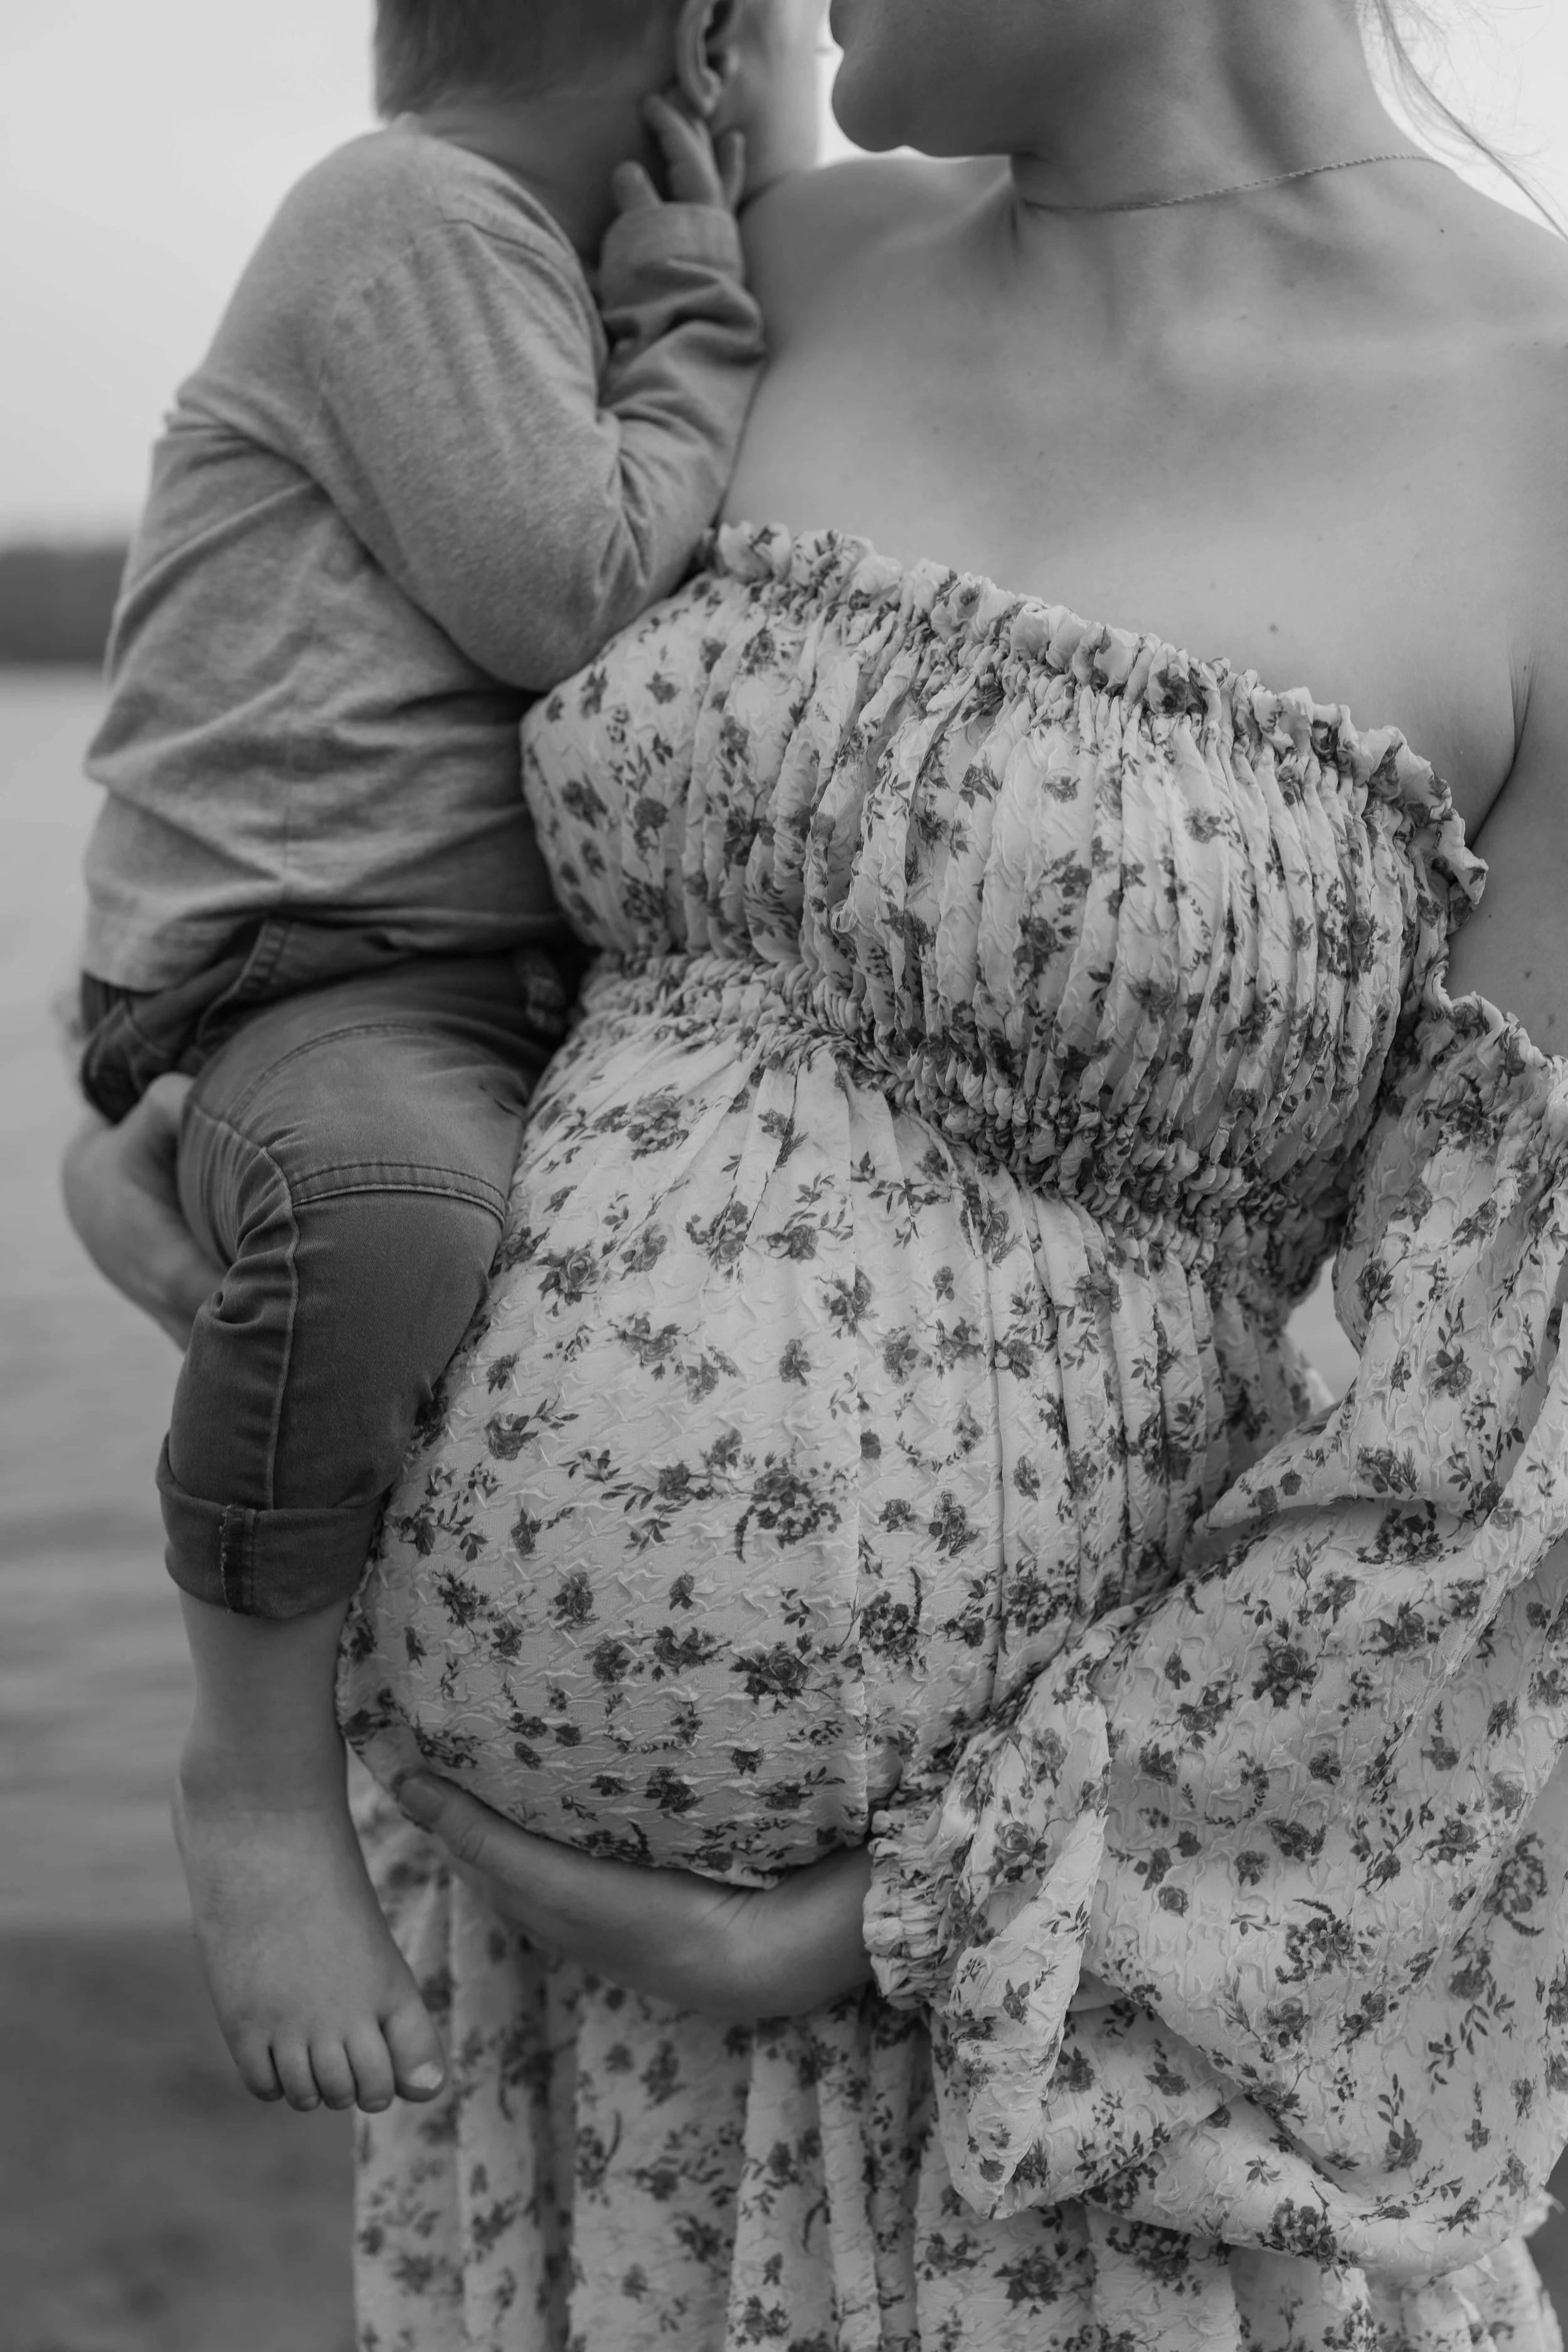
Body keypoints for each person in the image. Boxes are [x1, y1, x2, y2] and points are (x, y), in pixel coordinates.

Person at [67, 1, 1568, 2347]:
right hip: (533, 2027)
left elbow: (1483, 1454)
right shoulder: (776, 262)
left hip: (1050, 2062)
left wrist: (927, 1916)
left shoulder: (1543, 432)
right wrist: (178, 1115)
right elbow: (336, 713)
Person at [71, 0, 824, 2119]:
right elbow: (561, 585)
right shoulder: (417, 214)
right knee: (396, 1208)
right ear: (699, 51)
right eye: (790, 39)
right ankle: (254, 1771)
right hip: (307, 970)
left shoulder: (494, 244)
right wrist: (692, 308)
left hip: (459, 973)